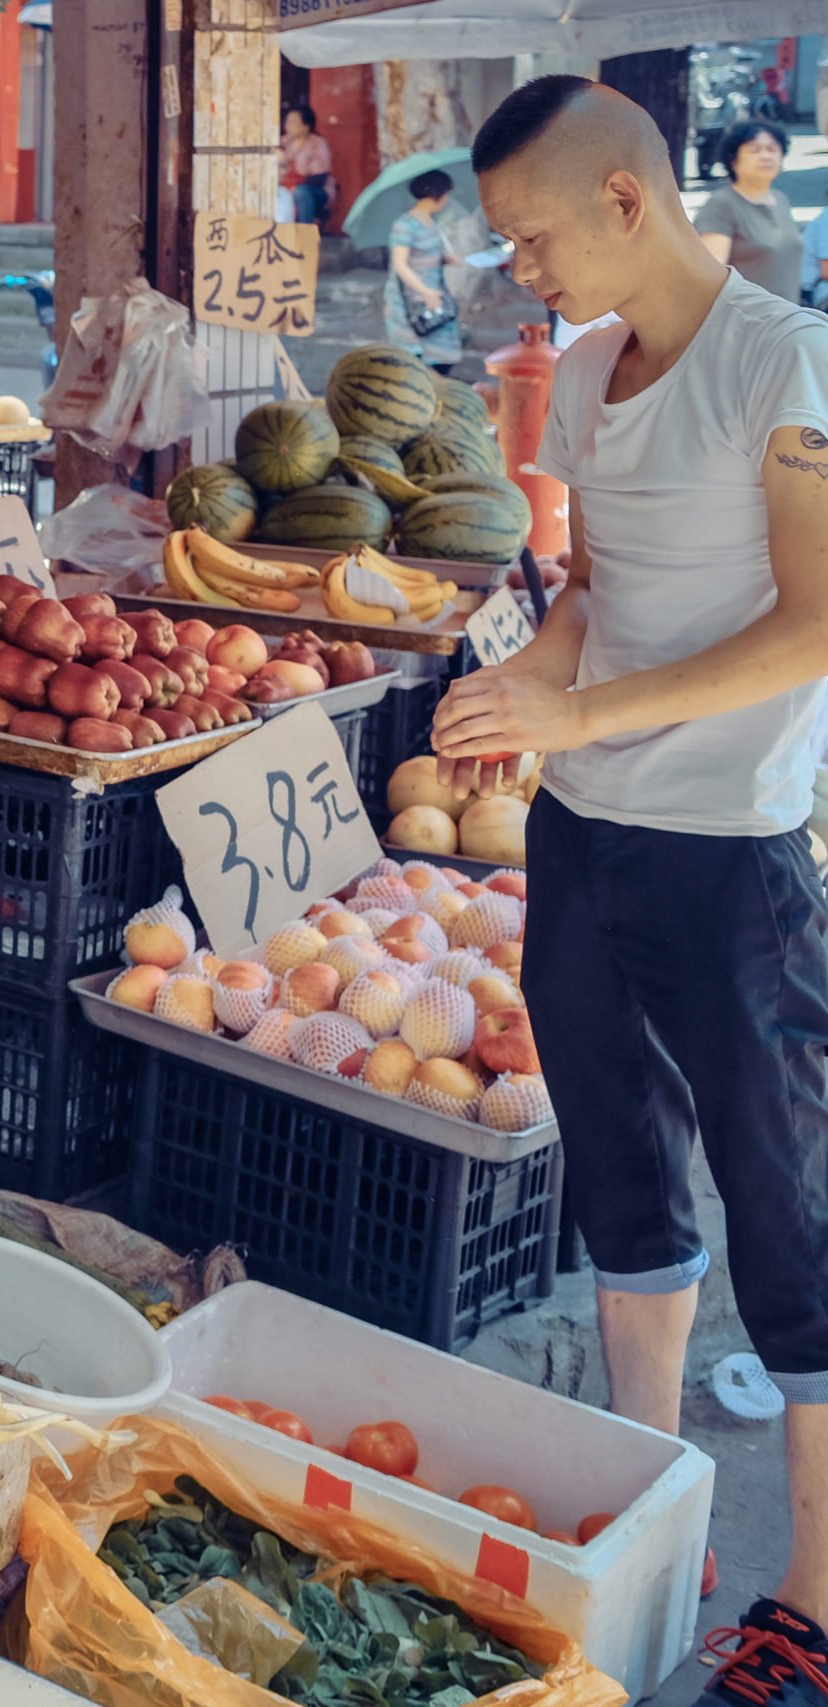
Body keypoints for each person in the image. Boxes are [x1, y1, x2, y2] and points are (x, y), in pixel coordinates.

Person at [440, 75, 828, 1705]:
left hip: (734, 851)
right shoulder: (587, 374)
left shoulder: (782, 358)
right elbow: (588, 594)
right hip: (584, 838)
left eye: (533, 235)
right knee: (625, 1182)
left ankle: (810, 1596)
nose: (521, 269)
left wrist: (577, 712)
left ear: (625, 198)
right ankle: (653, 1503)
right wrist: (518, 693)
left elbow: (814, 625)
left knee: (790, 1216)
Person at [697, 120, 807, 306]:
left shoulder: (780, 200)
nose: (766, 156)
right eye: (755, 150)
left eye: (772, 149)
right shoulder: (722, 204)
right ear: (733, 160)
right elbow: (708, 277)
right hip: (747, 323)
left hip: (787, 319)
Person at [383, 169, 464, 373]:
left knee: (441, 357)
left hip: (433, 297)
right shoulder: (404, 225)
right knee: (414, 360)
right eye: (446, 194)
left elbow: (423, 257)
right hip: (410, 301)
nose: (447, 199)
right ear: (437, 194)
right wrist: (425, 292)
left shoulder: (432, 221)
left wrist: (444, 259)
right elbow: (400, 265)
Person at [280, 104, 335, 227]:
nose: (288, 125)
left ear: (306, 126)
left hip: (315, 190)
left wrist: (294, 186)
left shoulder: (317, 143)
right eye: (287, 121)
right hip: (286, 187)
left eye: (293, 122)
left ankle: (304, 232)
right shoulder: (282, 142)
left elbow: (320, 177)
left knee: (301, 192)